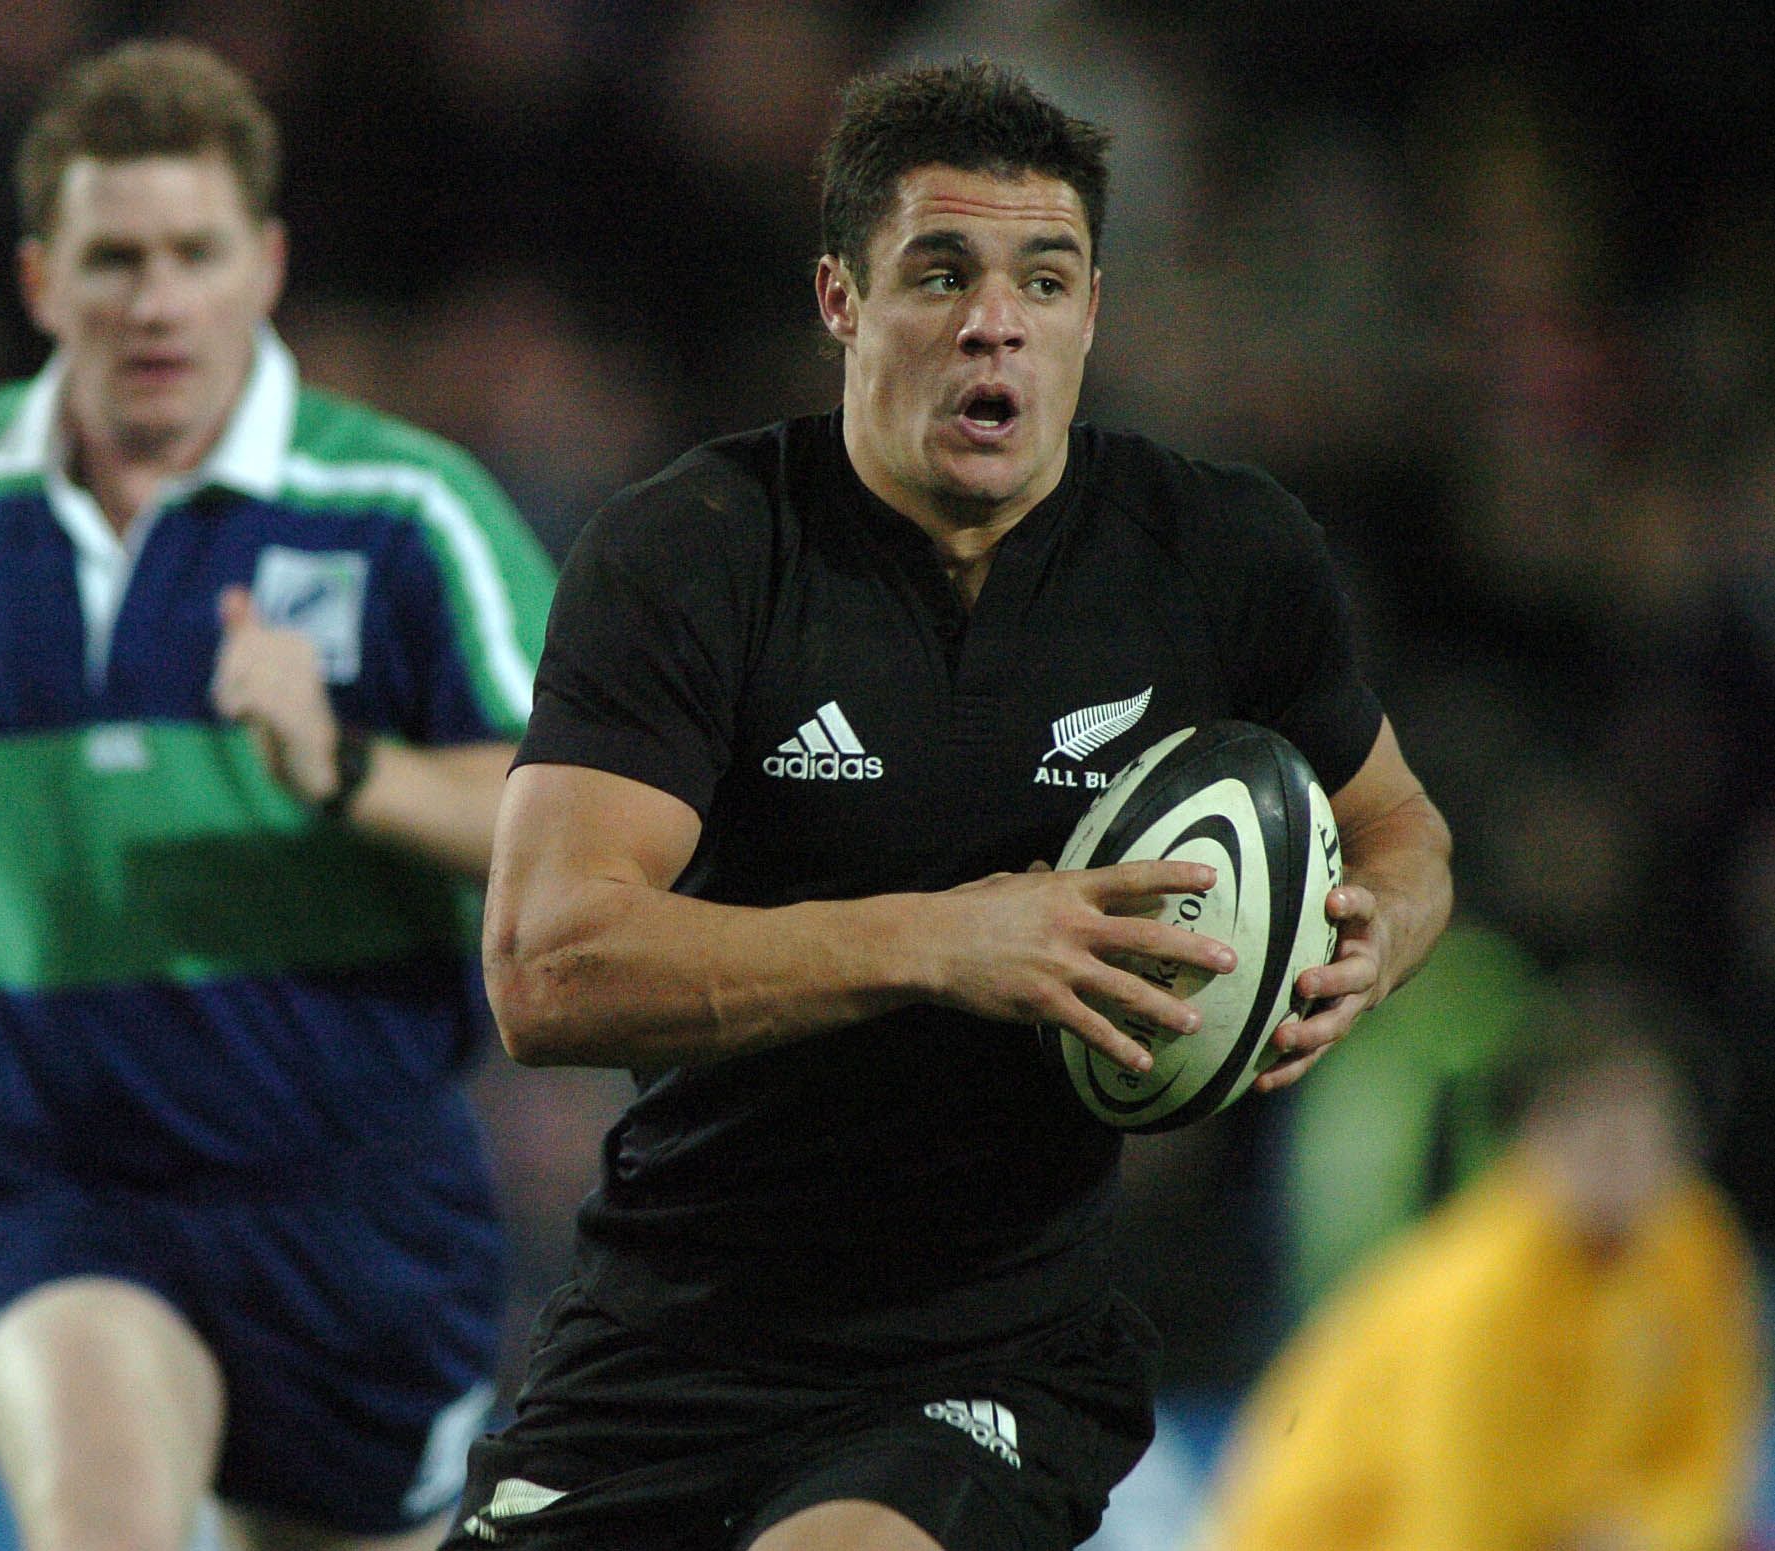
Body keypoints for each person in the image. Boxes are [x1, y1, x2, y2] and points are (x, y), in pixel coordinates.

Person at [450, 58, 1454, 1551]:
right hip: (674, 1329)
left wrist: (1373, 941)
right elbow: (545, 967)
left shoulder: (1221, 556)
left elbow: (1403, 834)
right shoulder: (696, 551)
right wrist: (941, 939)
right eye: (940, 271)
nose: (995, 318)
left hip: (989, 1348)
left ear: (1091, 312)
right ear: (839, 300)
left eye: (1043, 279)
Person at [0, 39, 555, 1551]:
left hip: (350, 1186)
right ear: (38, 280)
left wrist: (339, 765)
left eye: (192, 252)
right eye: (110, 258)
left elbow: (564, 821)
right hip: (58, 1162)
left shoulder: (403, 510)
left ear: (261, 266)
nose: (152, 298)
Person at [1192, 971, 1765, 1551]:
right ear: (1530, 1135)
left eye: (1645, 1120)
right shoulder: (1478, 1295)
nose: (1621, 1148)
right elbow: (1449, 1530)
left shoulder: (1693, 1243)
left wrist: (1650, 1534)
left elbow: (1706, 1463)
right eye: (1591, 1123)